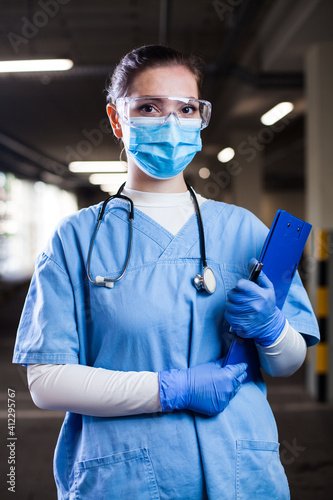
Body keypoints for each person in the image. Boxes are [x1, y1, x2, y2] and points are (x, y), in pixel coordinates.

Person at [13, 45, 319, 499]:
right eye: (150, 108)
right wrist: (171, 389)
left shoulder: (244, 231)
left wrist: (273, 329)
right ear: (118, 120)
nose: (171, 123)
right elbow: (47, 382)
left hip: (242, 475)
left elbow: (288, 362)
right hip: (122, 478)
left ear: (200, 118)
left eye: (186, 108)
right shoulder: (77, 239)